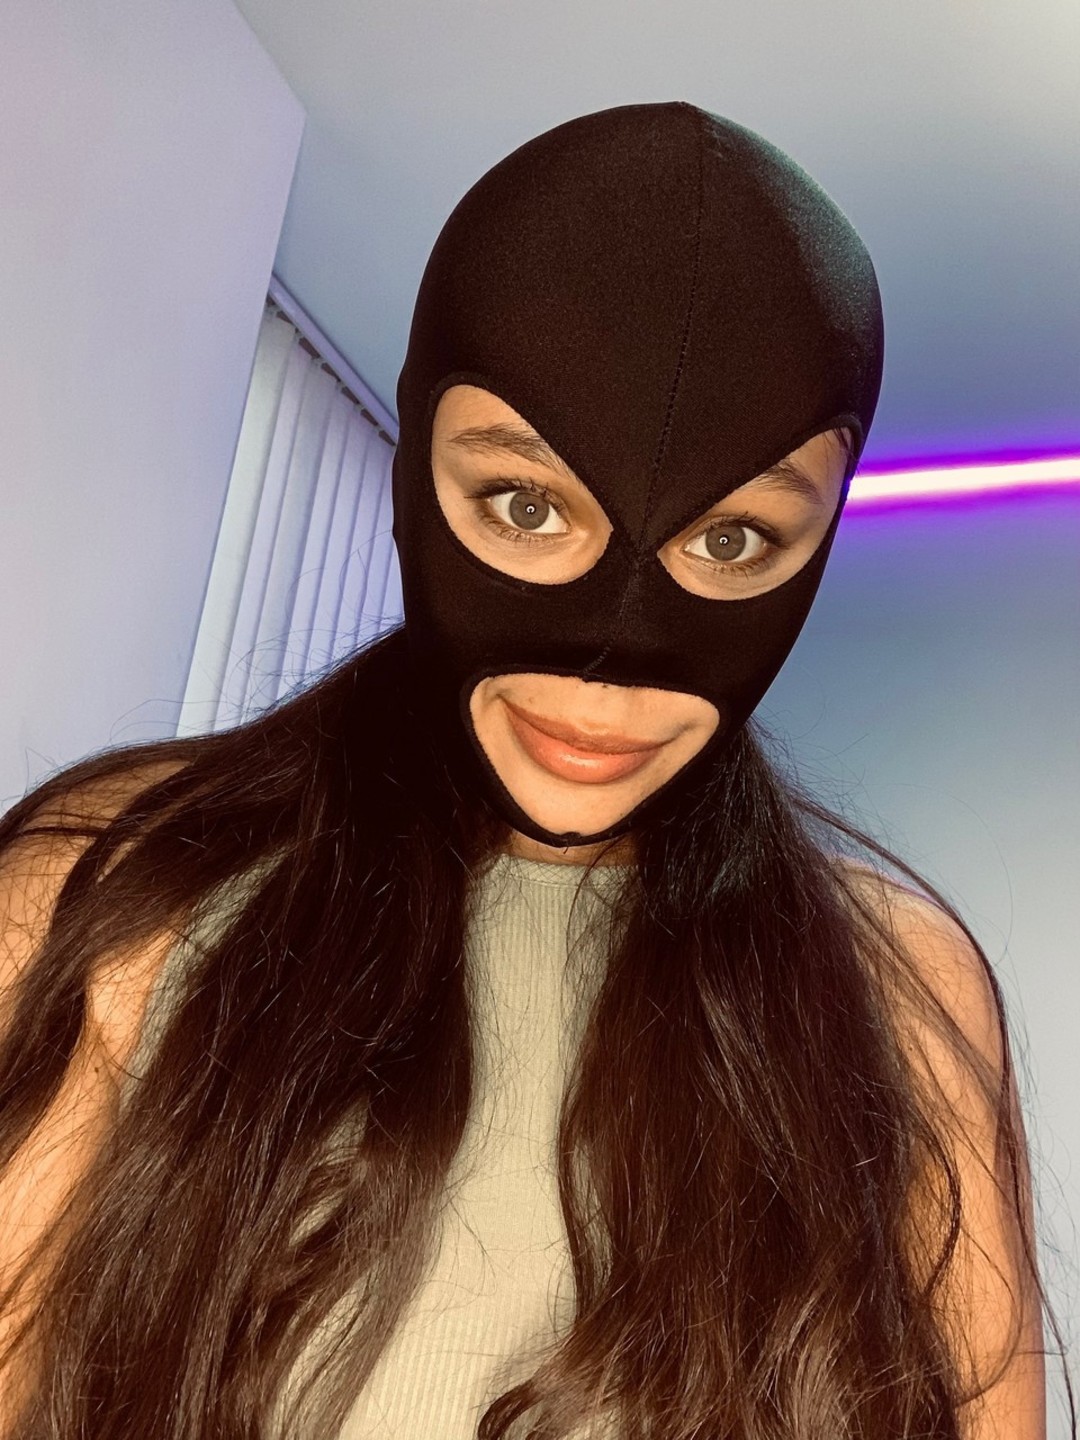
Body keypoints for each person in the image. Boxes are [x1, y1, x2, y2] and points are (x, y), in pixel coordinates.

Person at [0, 102, 1062, 1440]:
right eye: (525, 505)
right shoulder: (123, 890)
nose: (611, 663)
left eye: (733, 540)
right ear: (417, 461)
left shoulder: (899, 989)